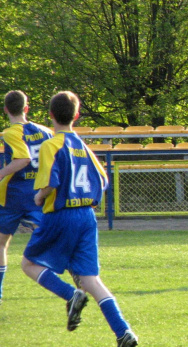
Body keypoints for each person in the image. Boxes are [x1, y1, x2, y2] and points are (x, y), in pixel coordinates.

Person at [20, 91, 138, 347]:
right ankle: (123, 332)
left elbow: (50, 183)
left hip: (61, 214)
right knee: (90, 280)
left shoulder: (52, 144)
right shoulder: (83, 146)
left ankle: (69, 294)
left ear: (50, 115)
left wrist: (39, 198)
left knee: (29, 264)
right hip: (86, 216)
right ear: (77, 115)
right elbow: (103, 181)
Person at [0, 90, 54, 305]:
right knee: (52, 239)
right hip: (39, 193)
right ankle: (77, 277)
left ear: (5, 110)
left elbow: (22, 159)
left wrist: (1, 173)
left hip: (13, 197)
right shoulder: (45, 131)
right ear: (26, 108)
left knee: (1, 244)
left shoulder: (10, 132)